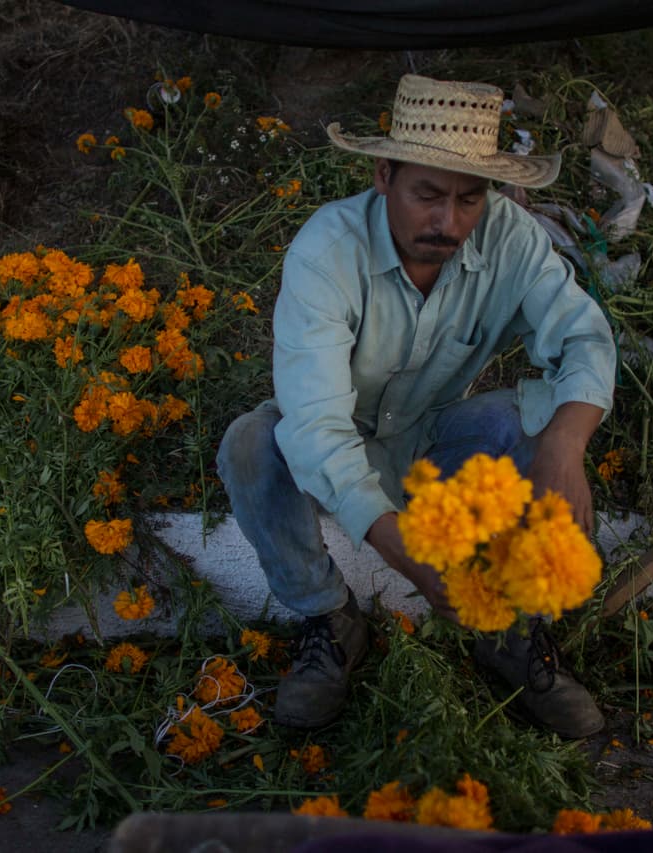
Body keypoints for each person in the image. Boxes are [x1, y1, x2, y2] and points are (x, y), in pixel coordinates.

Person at [217, 74, 616, 739]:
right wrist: (418, 565)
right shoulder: (327, 250)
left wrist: (564, 445)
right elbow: (316, 429)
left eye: (468, 198)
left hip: (433, 442)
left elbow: (584, 337)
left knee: (537, 422)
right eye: (427, 194)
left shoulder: (509, 238)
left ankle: (511, 628)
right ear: (383, 175)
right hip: (339, 442)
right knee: (252, 444)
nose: (448, 222)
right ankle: (330, 621)